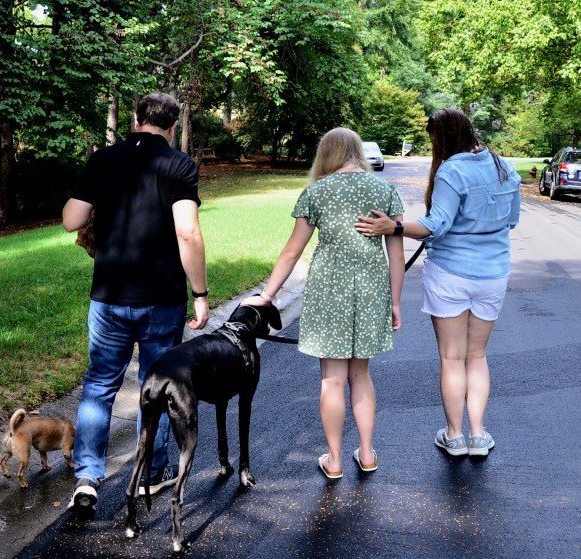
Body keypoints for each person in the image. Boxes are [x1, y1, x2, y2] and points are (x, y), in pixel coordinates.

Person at [61, 92, 209, 513]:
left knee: (100, 383)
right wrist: (200, 294)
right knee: (157, 385)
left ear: (135, 119)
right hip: (162, 298)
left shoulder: (104, 159)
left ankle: (87, 476)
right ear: (173, 126)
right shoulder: (179, 165)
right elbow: (188, 233)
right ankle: (150, 471)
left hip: (109, 296)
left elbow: (71, 219)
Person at [355, 108, 521, 457]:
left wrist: (395, 227)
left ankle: (454, 434)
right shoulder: (505, 167)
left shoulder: (451, 170)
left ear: (443, 137)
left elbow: (437, 224)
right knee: (476, 356)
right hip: (493, 275)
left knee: (451, 357)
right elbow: (512, 220)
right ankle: (478, 435)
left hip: (450, 275)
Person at [243, 127, 405, 479]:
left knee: (332, 380)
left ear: (326, 154)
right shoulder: (383, 189)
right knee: (361, 374)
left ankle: (333, 460)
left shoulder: (317, 192)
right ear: (357, 151)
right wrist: (395, 302)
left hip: (328, 291)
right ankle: (366, 453)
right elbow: (396, 252)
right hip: (370, 289)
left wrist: (268, 295)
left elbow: (292, 251)